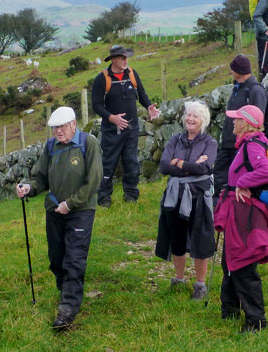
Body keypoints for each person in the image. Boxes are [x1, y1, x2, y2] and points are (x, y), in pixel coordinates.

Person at [16, 107, 103, 332]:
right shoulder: (51, 147)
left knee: (74, 259)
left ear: (74, 124)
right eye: (55, 128)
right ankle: (65, 291)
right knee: (56, 258)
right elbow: (40, 177)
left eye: (62, 127)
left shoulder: (88, 143)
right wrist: (29, 188)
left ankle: (67, 309)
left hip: (81, 211)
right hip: (54, 211)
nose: (58, 132)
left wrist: (70, 204)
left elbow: (93, 181)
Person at [213, 105, 268, 333]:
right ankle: (230, 309)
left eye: (236, 119)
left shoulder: (252, 146)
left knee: (243, 263)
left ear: (246, 123)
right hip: (237, 212)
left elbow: (267, 172)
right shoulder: (247, 144)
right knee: (230, 260)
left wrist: (242, 183)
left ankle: (256, 321)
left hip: (245, 215)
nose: (232, 123)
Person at [155, 101, 218, 299]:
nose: (190, 119)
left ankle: (200, 285)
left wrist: (180, 162)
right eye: (188, 115)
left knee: (200, 239)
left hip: (199, 196)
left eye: (195, 116)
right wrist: (191, 165)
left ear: (203, 120)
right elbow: (164, 166)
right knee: (177, 238)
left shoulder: (210, 143)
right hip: (175, 196)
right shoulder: (175, 140)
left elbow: (205, 169)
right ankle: (179, 278)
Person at [92, 45, 160, 207]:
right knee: (108, 164)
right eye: (122, 58)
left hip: (131, 129)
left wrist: (149, 106)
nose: (125, 61)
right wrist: (112, 118)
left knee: (131, 162)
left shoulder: (132, 74)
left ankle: (131, 196)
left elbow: (141, 94)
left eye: (126, 57)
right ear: (113, 59)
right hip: (111, 131)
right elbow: (96, 105)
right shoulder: (102, 79)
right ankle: (104, 199)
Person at [213, 55, 267, 203]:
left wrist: (246, 142)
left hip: (242, 144)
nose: (231, 71)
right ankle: (219, 204)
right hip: (228, 141)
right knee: (219, 172)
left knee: (237, 175)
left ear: (239, 71)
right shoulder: (237, 87)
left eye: (233, 68)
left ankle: (233, 204)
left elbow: (257, 119)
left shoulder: (255, 90)